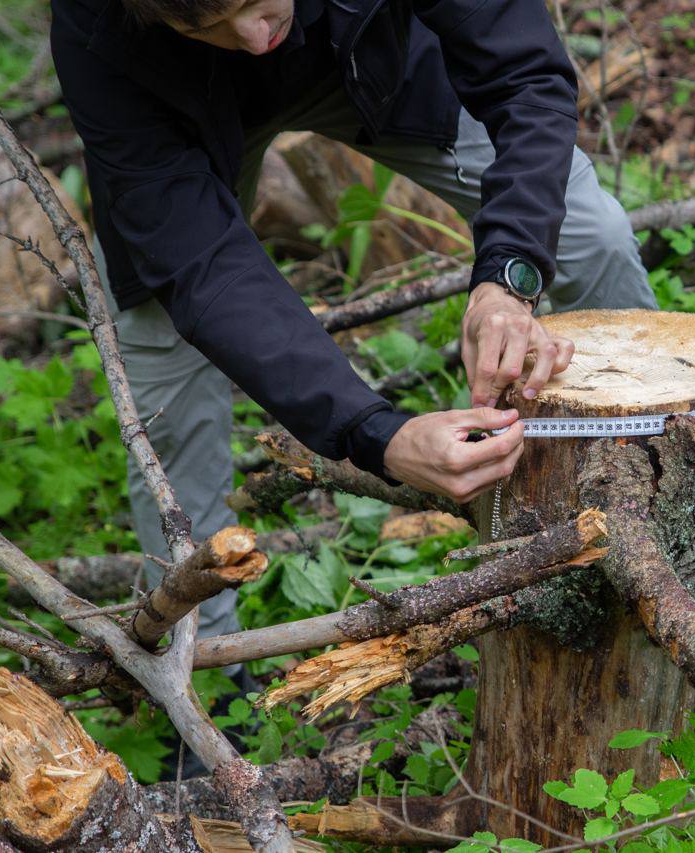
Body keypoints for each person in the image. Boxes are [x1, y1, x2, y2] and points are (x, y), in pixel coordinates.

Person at [49, 0, 657, 651]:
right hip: (183, 117)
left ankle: (663, 488)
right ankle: (204, 678)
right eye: (211, 24)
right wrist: (376, 433)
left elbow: (524, 72)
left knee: (588, 234)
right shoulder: (100, 26)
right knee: (163, 360)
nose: (256, 40)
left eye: (258, 1)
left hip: (363, 53)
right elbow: (201, 269)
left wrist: (509, 275)